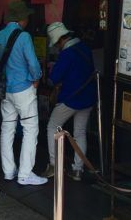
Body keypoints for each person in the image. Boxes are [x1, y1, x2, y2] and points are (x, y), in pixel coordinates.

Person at [0, 0, 46, 186]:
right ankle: (25, 174)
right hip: (24, 89)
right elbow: (33, 63)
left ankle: (8, 171)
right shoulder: (24, 37)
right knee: (30, 129)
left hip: (5, 91)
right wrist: (37, 78)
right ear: (22, 18)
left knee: (7, 129)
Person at [41, 22, 97, 181]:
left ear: (60, 40)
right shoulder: (84, 48)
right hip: (88, 98)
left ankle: (54, 165)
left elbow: (53, 79)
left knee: (52, 126)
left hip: (71, 99)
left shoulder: (67, 54)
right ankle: (78, 170)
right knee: (80, 132)